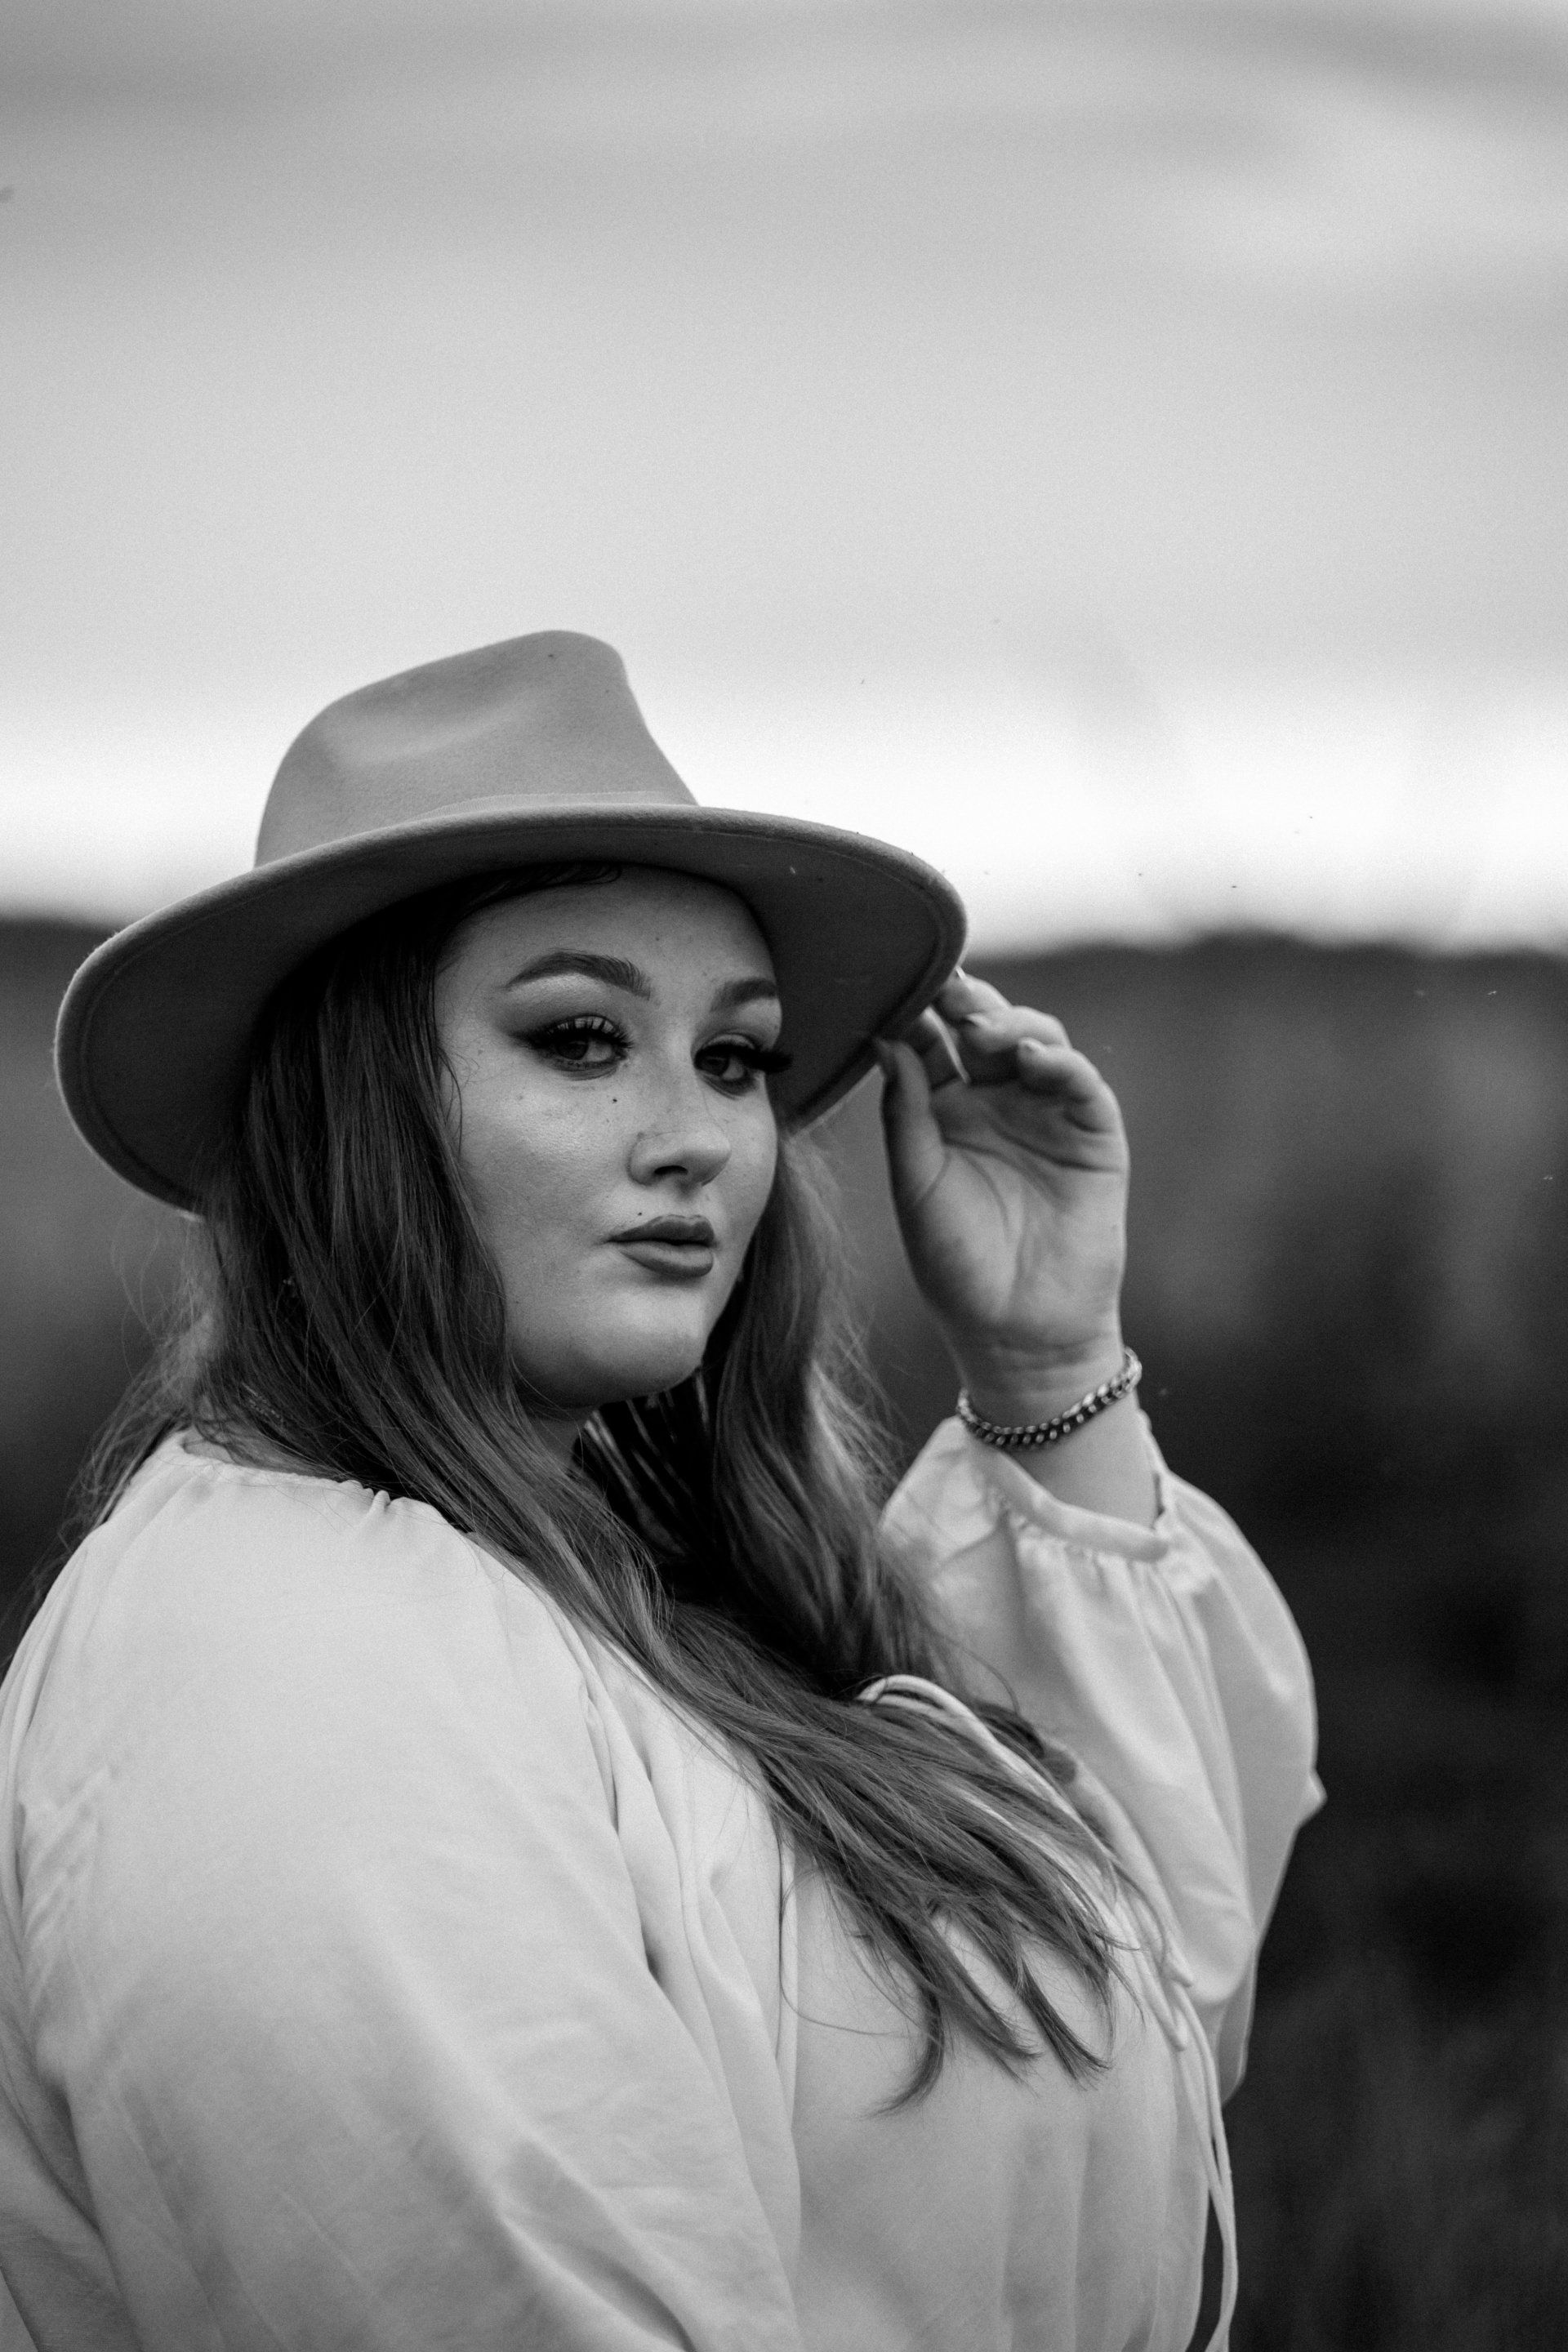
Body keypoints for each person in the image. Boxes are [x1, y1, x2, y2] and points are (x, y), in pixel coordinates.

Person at [0, 633, 1319, 2352]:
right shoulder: (292, 1657)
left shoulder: (623, 1579)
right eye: (579, 1036)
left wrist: (1048, 1361)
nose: (697, 1135)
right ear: (347, 1105)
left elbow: (1144, 2019)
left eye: (736, 1057)